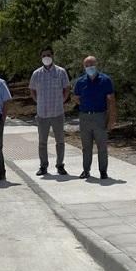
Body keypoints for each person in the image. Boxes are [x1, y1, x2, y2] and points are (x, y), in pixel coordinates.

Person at [29, 46, 70, 176]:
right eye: (43, 55)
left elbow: (66, 88)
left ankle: (60, 165)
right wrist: (38, 101)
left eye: (48, 55)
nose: (46, 57)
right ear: (41, 58)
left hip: (57, 112)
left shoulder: (61, 72)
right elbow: (32, 90)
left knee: (60, 142)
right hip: (42, 114)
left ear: (52, 56)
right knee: (42, 142)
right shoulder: (36, 74)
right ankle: (43, 166)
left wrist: (62, 100)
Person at [73, 55, 116, 180]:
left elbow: (111, 100)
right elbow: (76, 98)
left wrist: (112, 118)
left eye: (91, 65)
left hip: (100, 116)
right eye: (87, 65)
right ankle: (86, 170)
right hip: (85, 117)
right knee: (86, 147)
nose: (89, 67)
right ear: (84, 67)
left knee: (102, 146)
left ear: (96, 65)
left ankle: (103, 171)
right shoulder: (80, 82)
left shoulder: (105, 80)